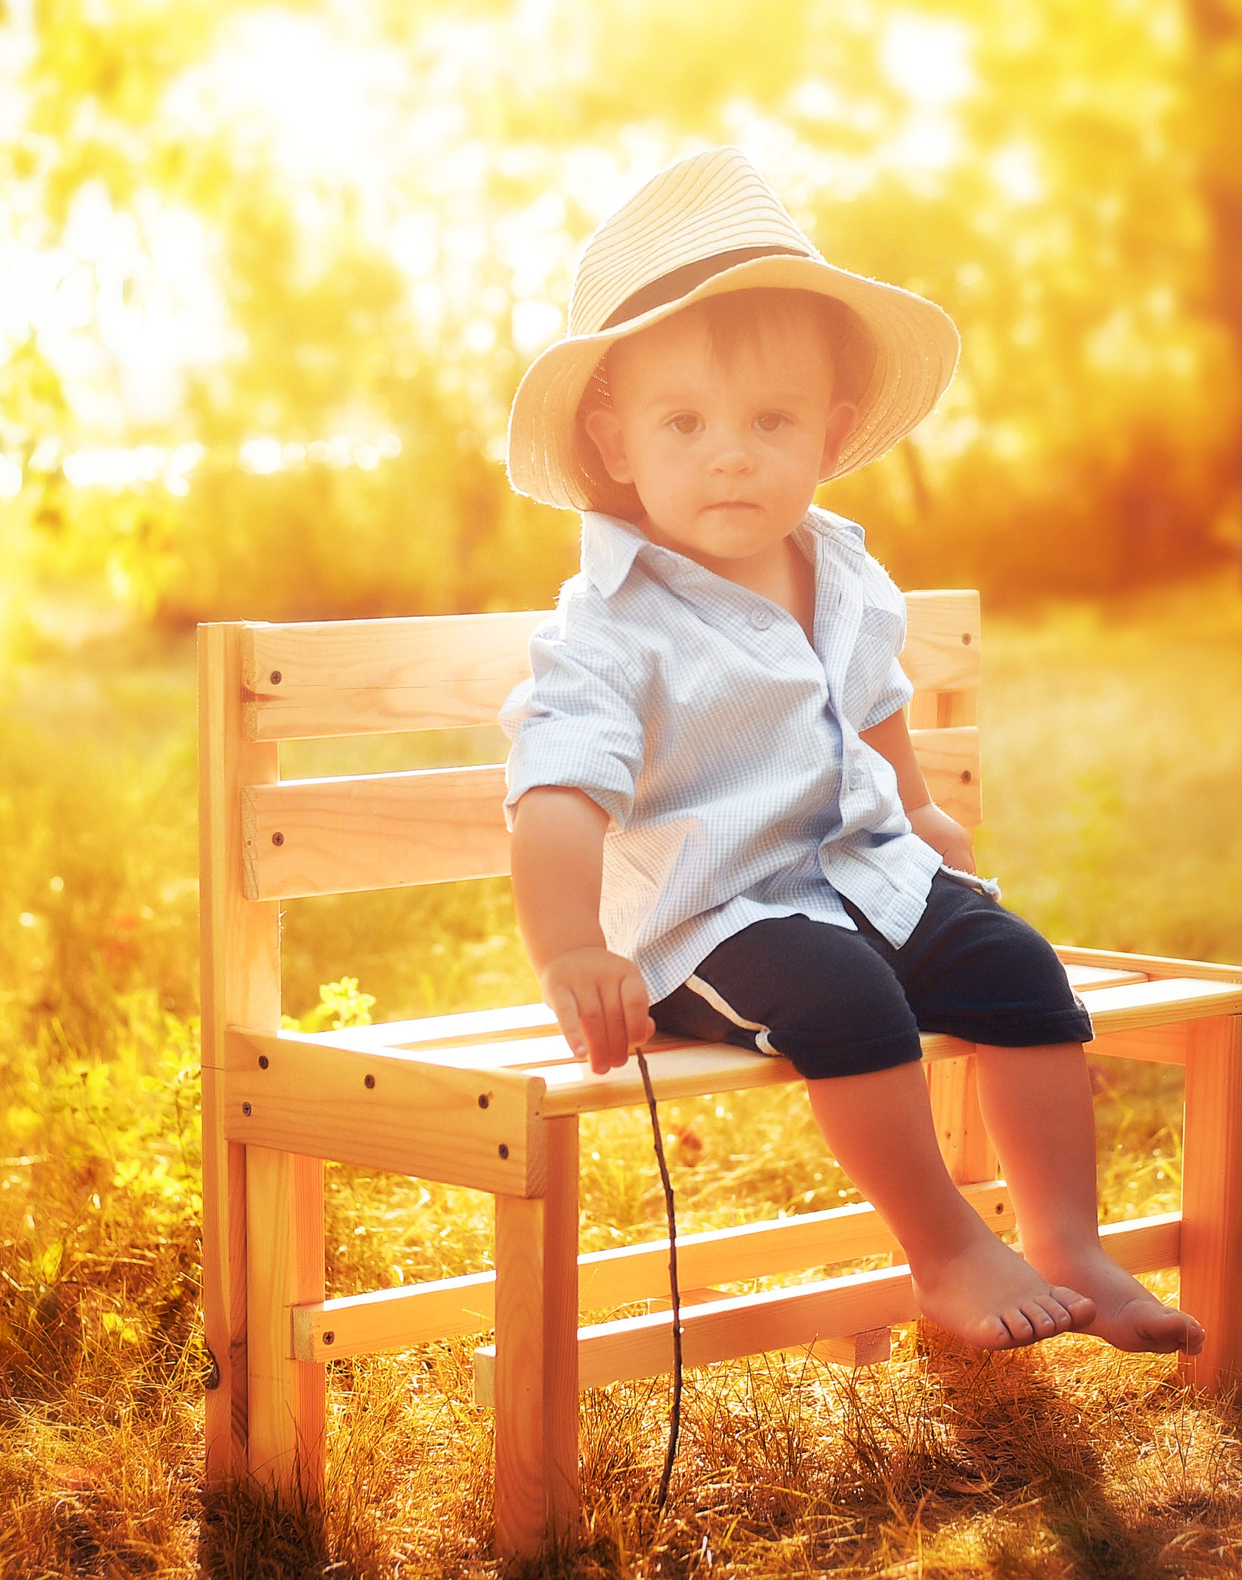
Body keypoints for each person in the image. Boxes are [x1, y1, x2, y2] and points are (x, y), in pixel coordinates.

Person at [498, 147, 1202, 1356]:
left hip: (858, 877)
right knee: (846, 997)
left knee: (1015, 967)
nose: (731, 453)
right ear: (615, 444)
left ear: (825, 434)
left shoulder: (843, 568)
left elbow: (868, 699)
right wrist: (570, 948)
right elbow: (552, 794)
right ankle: (943, 1251)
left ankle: (1068, 1239)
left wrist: (917, 807)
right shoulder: (611, 625)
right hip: (709, 928)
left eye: (768, 421)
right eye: (686, 422)